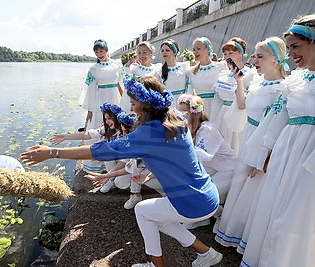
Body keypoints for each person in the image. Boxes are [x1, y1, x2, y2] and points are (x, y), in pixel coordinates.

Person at [20, 76, 223, 267]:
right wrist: (149, 174)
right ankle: (206, 253)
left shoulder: (150, 131)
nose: (131, 108)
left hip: (192, 201)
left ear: (146, 104)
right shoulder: (176, 119)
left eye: (134, 103)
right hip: (207, 193)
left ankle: (156, 264)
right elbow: (177, 159)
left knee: (142, 211)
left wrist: (53, 152)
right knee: (158, 218)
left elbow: (101, 150)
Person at [240, 14, 315, 267]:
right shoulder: (295, 80)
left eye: (296, 46)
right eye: (289, 47)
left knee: (297, 218)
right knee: (277, 213)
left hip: (309, 159)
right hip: (287, 153)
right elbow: (277, 119)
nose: (291, 53)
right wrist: (266, 153)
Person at [214, 37, 289, 251]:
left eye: (260, 56)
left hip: (262, 144)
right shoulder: (257, 82)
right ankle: (234, 230)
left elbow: (276, 125)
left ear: (276, 58)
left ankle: (249, 238)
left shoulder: (282, 89)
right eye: (254, 56)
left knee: (253, 190)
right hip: (249, 137)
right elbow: (242, 105)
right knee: (241, 184)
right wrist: (239, 81)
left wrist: (263, 156)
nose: (255, 60)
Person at [178, 94, 237, 229]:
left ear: (194, 112)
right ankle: (205, 217)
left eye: (184, 111)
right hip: (215, 167)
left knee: (202, 192)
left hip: (230, 169)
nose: (181, 114)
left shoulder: (207, 129)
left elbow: (203, 156)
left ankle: (220, 215)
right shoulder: (190, 127)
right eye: (179, 110)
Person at [85, 112, 164, 209]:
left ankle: (162, 197)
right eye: (123, 131)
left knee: (145, 178)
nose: (123, 134)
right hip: (152, 169)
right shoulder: (133, 141)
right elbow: (128, 164)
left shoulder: (143, 144)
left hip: (167, 174)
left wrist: (105, 175)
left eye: (126, 131)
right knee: (128, 175)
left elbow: (132, 168)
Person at [78, 40, 125, 171]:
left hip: (115, 99)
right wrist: (90, 110)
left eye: (101, 51)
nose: (99, 54)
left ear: (106, 50)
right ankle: (98, 163)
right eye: (96, 52)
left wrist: (125, 102)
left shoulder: (117, 65)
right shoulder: (93, 69)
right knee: (100, 126)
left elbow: (121, 84)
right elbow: (90, 89)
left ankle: (116, 161)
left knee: (116, 128)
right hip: (100, 100)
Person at [212, 37, 257, 153]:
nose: (227, 56)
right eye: (225, 54)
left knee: (237, 148)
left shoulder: (251, 74)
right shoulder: (223, 75)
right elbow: (217, 100)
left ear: (241, 54)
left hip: (240, 117)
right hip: (222, 116)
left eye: (231, 53)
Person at [51, 102, 123, 174]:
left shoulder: (124, 131)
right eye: (105, 119)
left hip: (126, 161)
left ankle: (111, 177)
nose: (107, 122)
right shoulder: (107, 129)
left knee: (120, 183)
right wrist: (66, 137)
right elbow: (87, 135)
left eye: (109, 118)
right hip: (115, 159)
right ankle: (111, 179)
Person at [187, 37, 227, 118]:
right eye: (194, 49)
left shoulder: (221, 66)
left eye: (199, 48)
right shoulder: (191, 71)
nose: (195, 52)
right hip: (200, 110)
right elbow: (190, 93)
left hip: (218, 109)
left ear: (208, 49)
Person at [121, 41, 162, 111]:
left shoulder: (158, 68)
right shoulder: (134, 69)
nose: (141, 55)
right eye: (139, 53)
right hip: (138, 106)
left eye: (144, 52)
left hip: (152, 105)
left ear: (151, 53)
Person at [154, 39, 190, 107]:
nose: (164, 52)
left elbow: (189, 85)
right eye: (162, 50)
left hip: (183, 103)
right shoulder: (159, 71)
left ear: (174, 52)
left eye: (167, 50)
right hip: (168, 105)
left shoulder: (184, 67)